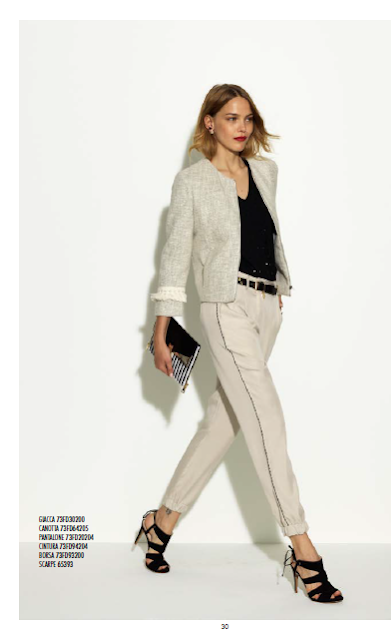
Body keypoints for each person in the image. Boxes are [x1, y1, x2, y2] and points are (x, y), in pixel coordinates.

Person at [135, 84, 344, 603]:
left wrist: (276, 288)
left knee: (224, 422)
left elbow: (267, 236)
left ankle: (161, 522)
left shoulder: (264, 172)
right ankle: (302, 547)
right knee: (266, 416)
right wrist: (161, 328)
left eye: (248, 118)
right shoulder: (192, 182)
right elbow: (174, 257)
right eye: (231, 117)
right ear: (209, 122)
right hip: (224, 308)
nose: (242, 127)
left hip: (265, 308)